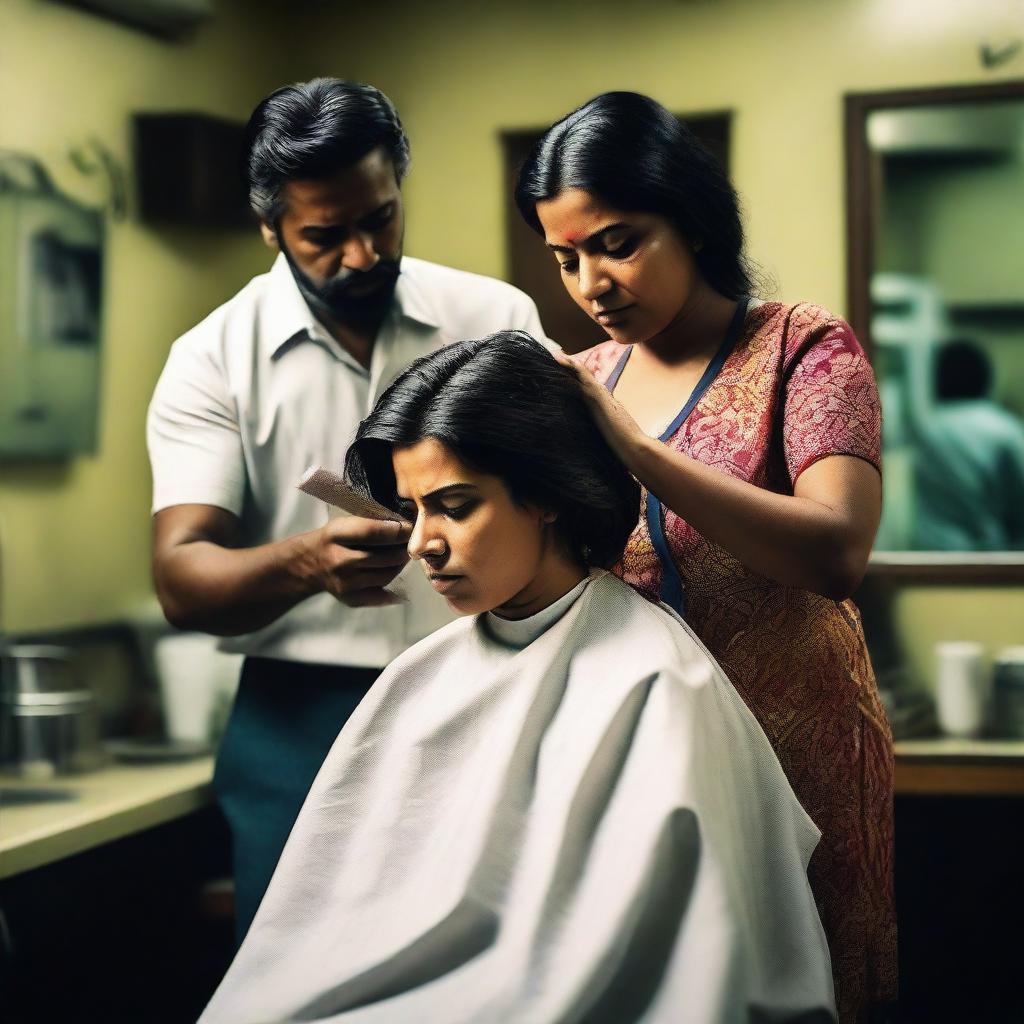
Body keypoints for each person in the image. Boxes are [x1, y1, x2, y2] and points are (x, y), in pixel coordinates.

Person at [199, 331, 836, 1024]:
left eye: (455, 505)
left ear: (546, 495)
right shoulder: (420, 677)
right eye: (412, 512)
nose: (422, 545)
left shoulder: (655, 682)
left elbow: (674, 964)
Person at [515, 92, 894, 1023]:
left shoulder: (805, 347)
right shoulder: (585, 378)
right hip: (645, 759)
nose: (591, 284)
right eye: (566, 258)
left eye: (617, 242)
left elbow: (839, 551)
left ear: (691, 218)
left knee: (812, 992)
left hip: (798, 748)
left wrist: (639, 451)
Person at [146, 78, 543, 941]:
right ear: (270, 227)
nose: (362, 254)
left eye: (381, 219)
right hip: (297, 723)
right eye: (325, 235)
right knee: (291, 976)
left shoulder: (495, 320)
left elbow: (563, 502)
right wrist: (307, 561)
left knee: (500, 969)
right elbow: (182, 575)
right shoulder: (211, 360)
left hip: (493, 693)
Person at [912, 338, 1024, 550]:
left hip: (933, 556)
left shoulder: (927, 430)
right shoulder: (1004, 430)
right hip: (992, 557)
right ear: (986, 377)